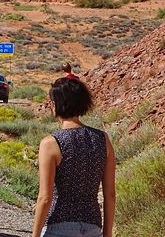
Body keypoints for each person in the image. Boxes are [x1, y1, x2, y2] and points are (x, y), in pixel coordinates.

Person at [32, 77, 116, 237]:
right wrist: (107, 233)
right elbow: (110, 194)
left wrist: (34, 235)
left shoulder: (51, 143)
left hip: (59, 226)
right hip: (92, 226)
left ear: (56, 104)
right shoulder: (103, 139)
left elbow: (45, 197)